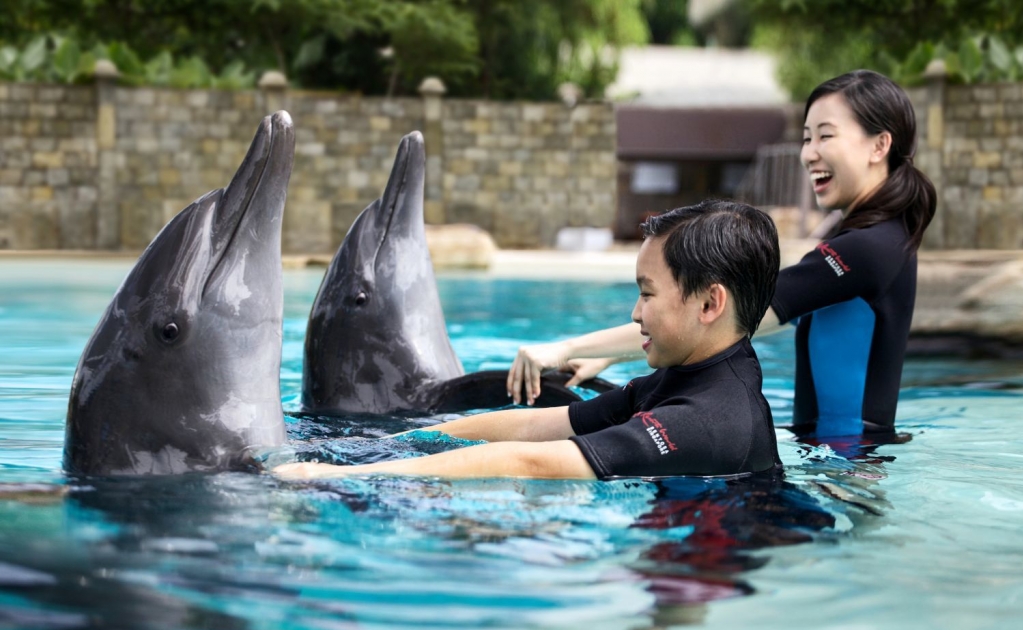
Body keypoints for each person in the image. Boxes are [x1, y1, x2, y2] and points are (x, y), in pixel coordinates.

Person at [508, 70, 936, 444]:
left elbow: (735, 312)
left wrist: (563, 349)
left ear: (879, 145)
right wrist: (614, 352)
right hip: (840, 453)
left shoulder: (868, 248)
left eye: (826, 135)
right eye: (807, 138)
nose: (809, 153)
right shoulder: (880, 235)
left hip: (847, 465)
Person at [275, 199, 781, 480]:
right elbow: (547, 423)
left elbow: (533, 460)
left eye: (647, 294)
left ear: (710, 304)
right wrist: (395, 446)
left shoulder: (708, 419)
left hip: (709, 566)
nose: (634, 313)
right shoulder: (687, 375)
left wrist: (346, 479)